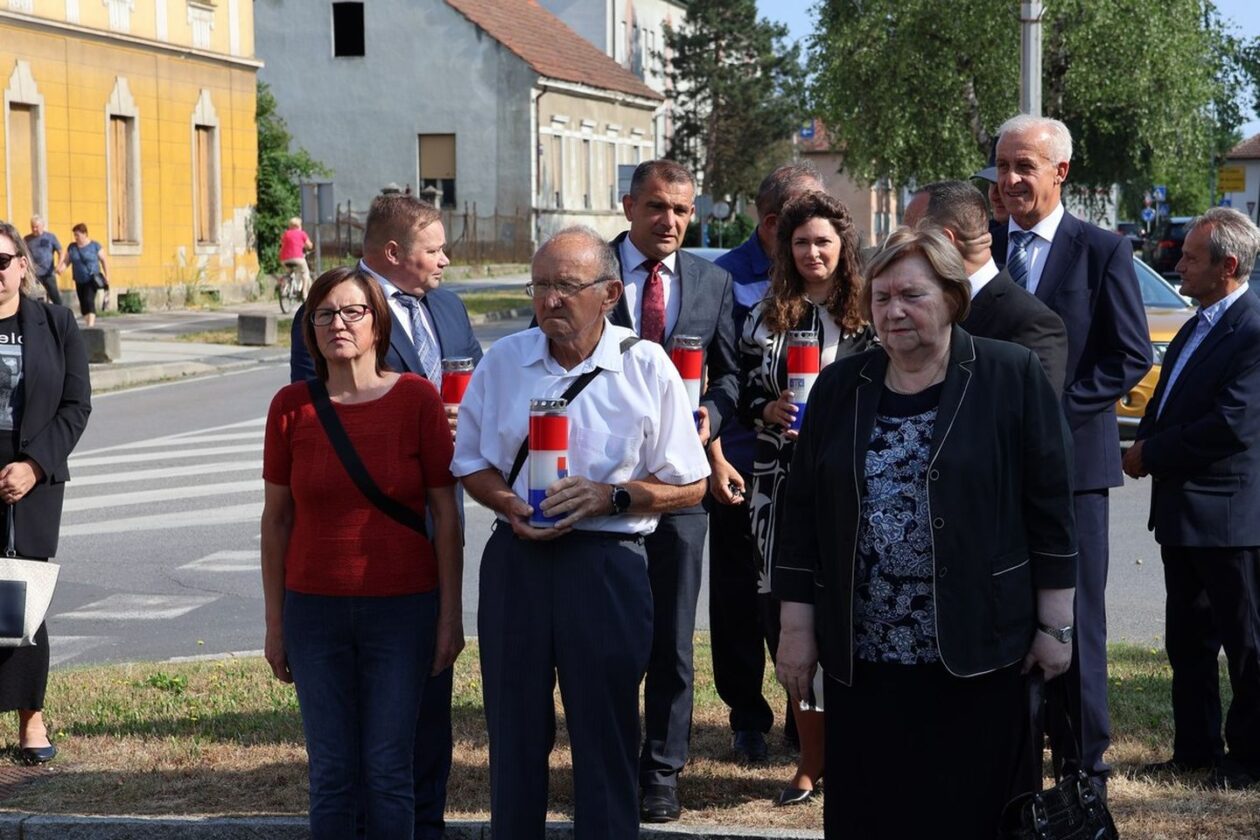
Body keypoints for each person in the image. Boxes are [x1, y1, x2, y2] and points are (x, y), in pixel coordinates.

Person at [773, 225, 1077, 837]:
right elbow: (800, 515)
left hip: (978, 648)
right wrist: (796, 631)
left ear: (952, 297)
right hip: (866, 656)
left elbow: (1050, 508)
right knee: (873, 813)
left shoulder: (1008, 374)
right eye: (881, 299)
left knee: (972, 813)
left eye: (911, 295)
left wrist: (1055, 626)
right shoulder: (839, 386)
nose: (894, 311)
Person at [452, 226, 709, 839]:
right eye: (540, 286)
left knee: (606, 730)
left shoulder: (644, 366)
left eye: (566, 286)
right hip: (518, 560)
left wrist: (610, 496)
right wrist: (508, 502)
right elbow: (469, 462)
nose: (550, 300)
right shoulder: (505, 362)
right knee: (514, 729)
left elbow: (691, 484)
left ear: (610, 293)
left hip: (608, 563)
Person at [289, 195, 480, 839]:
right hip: (366, 534)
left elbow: (475, 383)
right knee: (350, 747)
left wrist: (466, 415)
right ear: (394, 254)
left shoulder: (447, 306)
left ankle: (424, 822)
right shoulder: (335, 309)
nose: (445, 261)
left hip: (435, 514)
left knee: (429, 700)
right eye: (434, 249)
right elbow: (320, 409)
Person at [993, 115, 1151, 787]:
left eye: (1024, 166)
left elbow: (1130, 355)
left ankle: (1085, 757)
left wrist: (1054, 415)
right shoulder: (982, 249)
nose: (1009, 179)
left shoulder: (1101, 251)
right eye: (1001, 165)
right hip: (992, 467)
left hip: (1076, 469)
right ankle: (1010, 749)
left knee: (1076, 616)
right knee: (1003, 608)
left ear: (1061, 172)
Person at [607, 159, 739, 823]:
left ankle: (661, 772)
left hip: (684, 486)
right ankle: (607, 761)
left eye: (683, 211)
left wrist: (713, 413)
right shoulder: (590, 270)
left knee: (672, 639)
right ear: (629, 206)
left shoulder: (711, 282)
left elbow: (733, 377)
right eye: (658, 207)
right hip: (603, 485)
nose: (670, 222)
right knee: (604, 635)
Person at [739, 191, 874, 805]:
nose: (812, 252)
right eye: (800, 242)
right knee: (786, 618)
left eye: (822, 241)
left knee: (853, 611)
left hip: (855, 484)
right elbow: (739, 390)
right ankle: (810, 758)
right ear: (784, 249)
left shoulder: (871, 310)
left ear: (843, 246)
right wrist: (766, 406)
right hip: (778, 486)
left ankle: (857, 749)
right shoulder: (768, 312)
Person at [1123, 208, 1260, 791]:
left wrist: (1151, 453)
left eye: (1190, 256)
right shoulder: (1198, 321)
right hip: (1184, 514)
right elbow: (1168, 399)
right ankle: (1196, 750)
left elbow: (1232, 423)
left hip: (1230, 516)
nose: (1177, 262)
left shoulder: (1252, 326)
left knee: (1247, 643)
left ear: (1228, 266)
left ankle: (1250, 758)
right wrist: (1146, 437)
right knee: (1188, 639)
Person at [710, 162, 824, 766]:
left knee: (796, 597)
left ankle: (801, 716)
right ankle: (746, 715)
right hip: (741, 465)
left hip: (809, 475)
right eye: (804, 225)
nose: (816, 237)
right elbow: (725, 375)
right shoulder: (726, 279)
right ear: (777, 222)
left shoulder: (833, 275)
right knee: (736, 597)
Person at [0, 221, 92, 765]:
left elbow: (76, 405)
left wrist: (34, 466)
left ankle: (31, 718)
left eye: (2, 260)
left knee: (21, 601)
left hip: (31, 475)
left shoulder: (55, 324)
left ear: (20, 265)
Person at [903, 180, 1068, 392]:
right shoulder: (922, 308)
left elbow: (1034, 418)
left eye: (912, 238)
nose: (904, 251)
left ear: (945, 240)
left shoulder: (1032, 324)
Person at [56, 224, 108, 327]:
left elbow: (104, 260)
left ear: (85, 234)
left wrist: (107, 275)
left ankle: (90, 326)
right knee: (83, 304)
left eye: (77, 235)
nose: (76, 237)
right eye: (74, 235)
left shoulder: (94, 246)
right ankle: (88, 322)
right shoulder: (72, 247)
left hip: (92, 279)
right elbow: (67, 261)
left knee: (89, 300)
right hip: (79, 279)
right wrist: (61, 268)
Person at [23, 216, 63, 306]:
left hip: (48, 273)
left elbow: (60, 252)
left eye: (36, 227)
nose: (34, 229)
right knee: (36, 297)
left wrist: (59, 265)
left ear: (43, 226)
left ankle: (61, 316)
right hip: (34, 274)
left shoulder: (50, 237)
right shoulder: (27, 239)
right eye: (32, 226)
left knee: (55, 296)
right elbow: (23, 254)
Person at [279, 216, 314, 296]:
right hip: (297, 258)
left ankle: (287, 285)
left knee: (290, 272)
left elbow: (282, 244)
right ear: (299, 225)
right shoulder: (302, 233)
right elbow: (309, 245)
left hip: (284, 259)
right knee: (305, 273)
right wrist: (307, 246)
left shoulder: (286, 233)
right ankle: (305, 292)